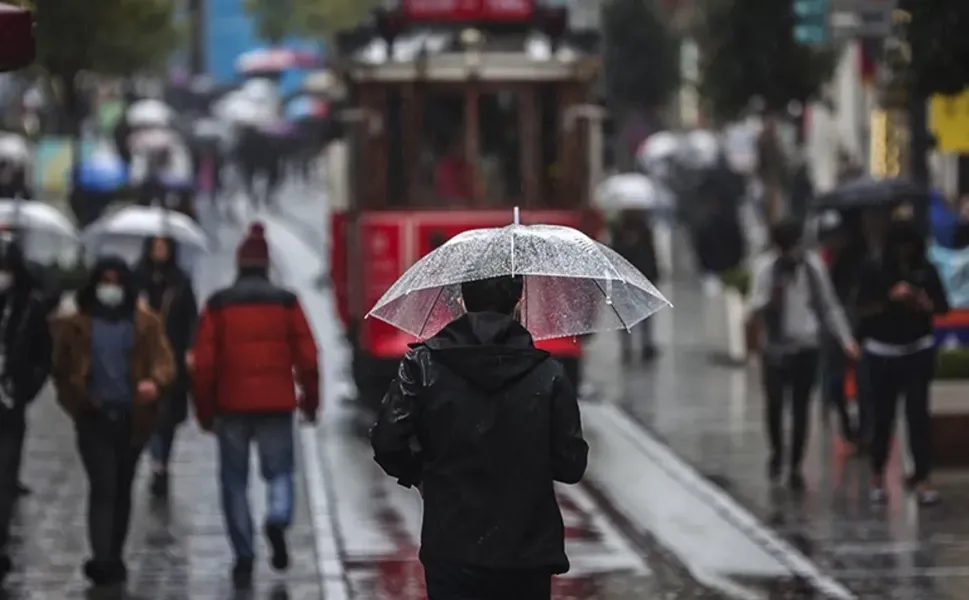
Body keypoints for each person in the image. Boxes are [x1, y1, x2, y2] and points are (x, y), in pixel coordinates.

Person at [371, 274, 589, 600]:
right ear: (518, 305)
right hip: (525, 553)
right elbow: (571, 465)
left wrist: (422, 476)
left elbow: (388, 441)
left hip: (451, 546)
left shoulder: (424, 365)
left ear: (461, 302)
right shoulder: (548, 374)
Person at [191, 223, 320, 589]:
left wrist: (204, 411)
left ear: (238, 264)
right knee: (280, 471)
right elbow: (309, 359)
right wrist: (310, 402)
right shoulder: (286, 302)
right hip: (277, 403)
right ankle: (277, 516)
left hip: (231, 406)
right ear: (266, 265)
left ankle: (244, 553)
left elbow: (203, 365)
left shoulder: (218, 305)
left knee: (234, 482)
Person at [50, 256, 174, 586]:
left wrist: (155, 383)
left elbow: (164, 361)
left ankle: (114, 554)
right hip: (93, 418)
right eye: (104, 281)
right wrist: (76, 401)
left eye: (116, 281)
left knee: (121, 488)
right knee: (103, 486)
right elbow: (61, 370)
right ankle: (102, 558)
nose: (111, 288)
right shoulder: (78, 324)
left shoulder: (145, 323)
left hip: (133, 419)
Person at [746, 220, 859, 491]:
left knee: (800, 407)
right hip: (774, 348)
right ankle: (777, 453)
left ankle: (795, 464)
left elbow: (828, 305)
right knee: (774, 405)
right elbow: (754, 306)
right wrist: (765, 305)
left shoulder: (812, 268)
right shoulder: (765, 269)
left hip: (806, 347)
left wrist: (846, 341)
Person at [856, 220, 949, 505]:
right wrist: (889, 299)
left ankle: (921, 477)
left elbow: (942, 307)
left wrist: (922, 301)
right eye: (899, 247)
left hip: (917, 349)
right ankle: (877, 475)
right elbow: (861, 309)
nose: (904, 253)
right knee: (882, 417)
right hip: (882, 352)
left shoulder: (926, 270)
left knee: (918, 416)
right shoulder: (874, 269)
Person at [0, 235, 52, 582]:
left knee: (5, 476)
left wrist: (24, 390)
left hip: (9, 404)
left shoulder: (28, 308)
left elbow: (42, 357)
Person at [135, 236, 198, 498]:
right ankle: (157, 463)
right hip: (143, 356)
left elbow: (191, 317)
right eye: (156, 246)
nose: (159, 251)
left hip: (173, 355)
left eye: (164, 246)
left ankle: (162, 462)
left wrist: (190, 349)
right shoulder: (137, 278)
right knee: (150, 413)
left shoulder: (181, 281)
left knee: (168, 417)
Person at [610, 210, 660, 361]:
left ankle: (643, 346)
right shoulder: (621, 232)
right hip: (631, 279)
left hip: (637, 278)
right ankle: (630, 347)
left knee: (640, 316)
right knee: (629, 316)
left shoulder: (643, 231)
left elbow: (650, 254)